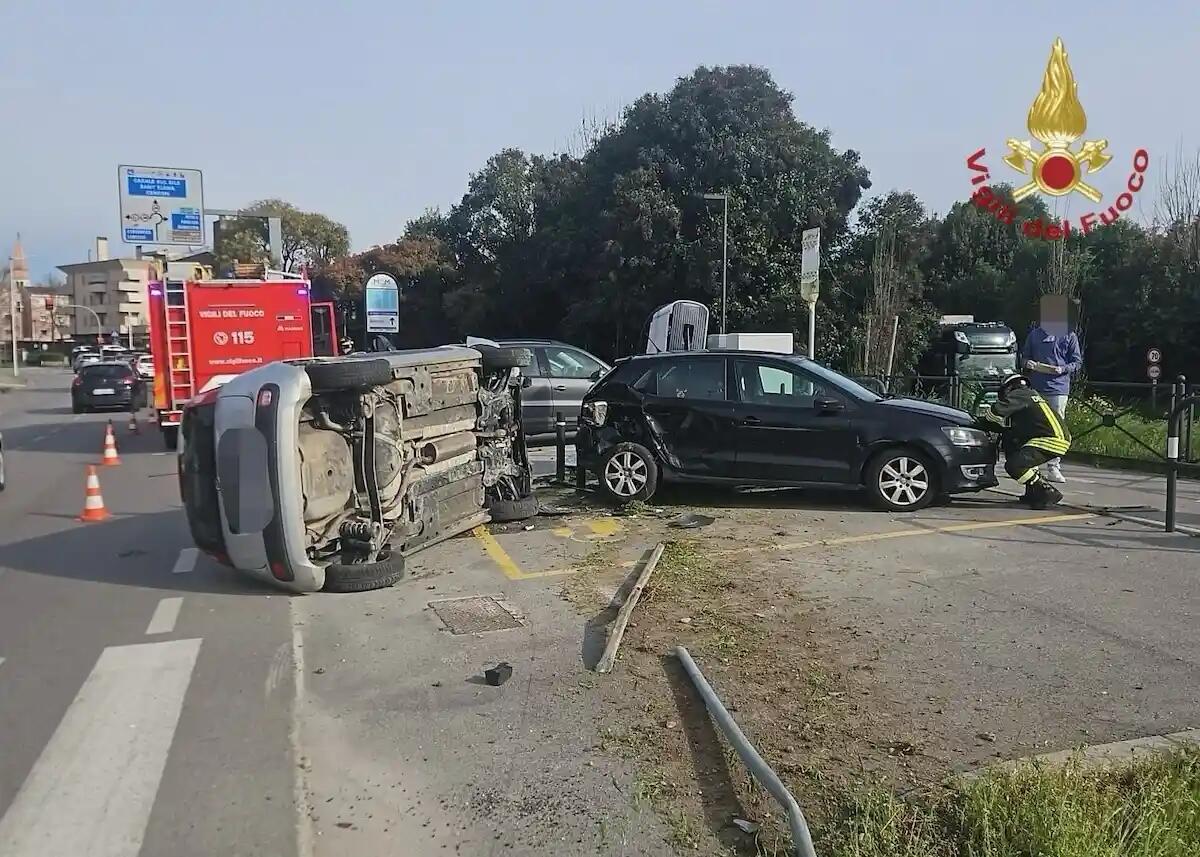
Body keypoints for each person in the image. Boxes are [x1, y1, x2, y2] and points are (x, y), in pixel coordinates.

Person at [980, 373, 1071, 509]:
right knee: (1020, 456)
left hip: (1049, 439)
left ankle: (1047, 491)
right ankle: (1033, 494)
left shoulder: (1019, 394)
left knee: (1015, 466)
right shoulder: (1033, 395)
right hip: (1056, 438)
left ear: (1009, 388)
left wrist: (983, 421)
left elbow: (994, 413)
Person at [1020, 317, 1082, 483]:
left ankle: (1053, 466)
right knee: (1035, 425)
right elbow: (1024, 358)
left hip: (1058, 388)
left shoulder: (1069, 335)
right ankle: (1032, 464)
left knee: (1058, 428)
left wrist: (1063, 368)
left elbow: (1077, 362)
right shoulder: (1034, 335)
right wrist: (1029, 364)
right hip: (1036, 387)